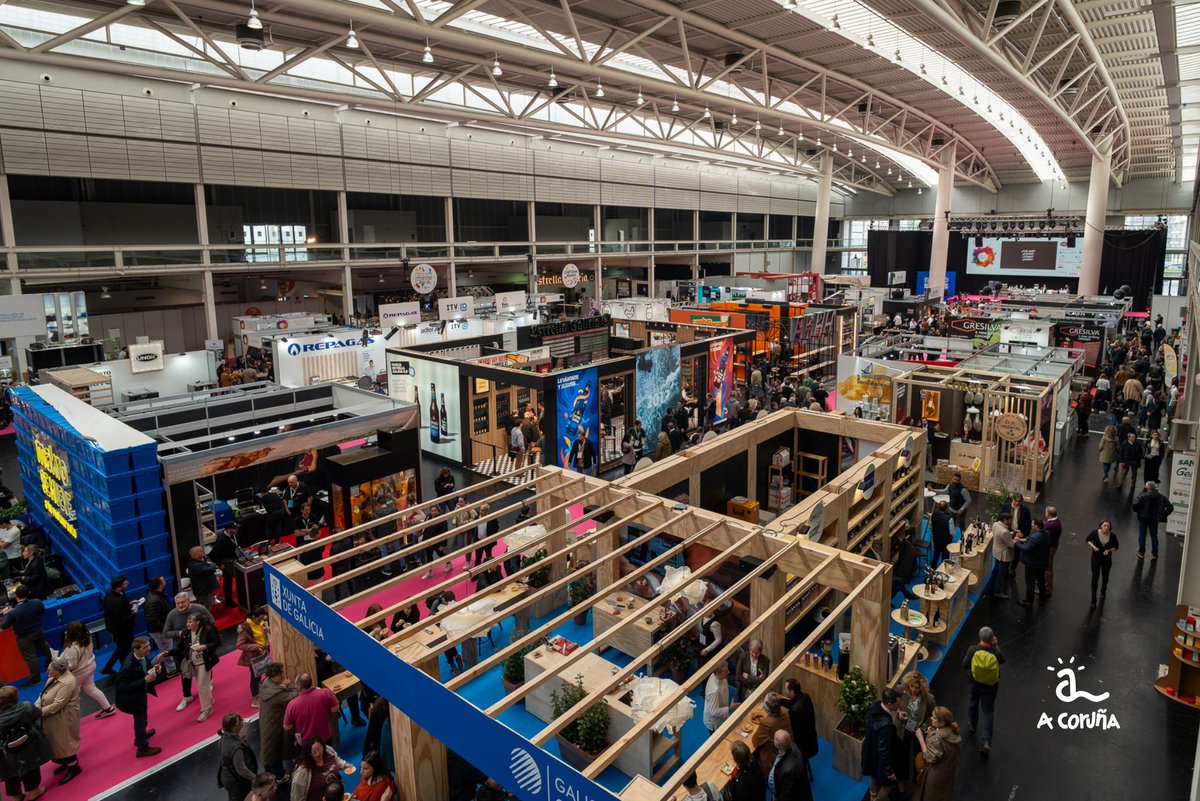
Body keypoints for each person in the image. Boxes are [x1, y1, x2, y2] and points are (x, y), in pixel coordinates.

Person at [164, 592, 215, 712]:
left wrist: (201, 634)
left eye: (182, 602)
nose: (180, 605)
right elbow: (166, 632)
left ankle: (208, 686)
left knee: (205, 669)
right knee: (185, 673)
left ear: (189, 601)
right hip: (182, 650)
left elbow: (211, 623)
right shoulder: (172, 614)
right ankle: (187, 696)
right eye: (178, 603)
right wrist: (179, 633)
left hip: (201, 648)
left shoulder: (200, 609)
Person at [114, 636, 164, 757]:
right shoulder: (127, 666)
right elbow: (120, 687)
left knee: (142, 719)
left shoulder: (141, 656)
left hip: (139, 694)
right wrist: (144, 680)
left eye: (148, 645)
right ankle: (142, 748)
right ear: (136, 650)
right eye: (145, 647)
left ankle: (140, 736)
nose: (149, 648)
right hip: (132, 699)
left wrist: (154, 669)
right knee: (140, 720)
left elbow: (145, 667)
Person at [36, 657, 81, 785]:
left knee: (64, 741)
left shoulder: (68, 682)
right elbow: (42, 695)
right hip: (52, 717)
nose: (47, 672)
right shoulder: (53, 678)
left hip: (64, 717)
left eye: (50, 670)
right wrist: (37, 706)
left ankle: (74, 767)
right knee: (56, 741)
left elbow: (58, 705)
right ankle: (65, 762)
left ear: (59, 671)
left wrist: (38, 712)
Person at [0, 685, 49, 799]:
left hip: (7, 751)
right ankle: (34, 792)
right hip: (29, 744)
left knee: (11, 774)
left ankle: (16, 796)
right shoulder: (26, 706)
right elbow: (38, 714)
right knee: (32, 768)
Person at [60, 621, 116, 718]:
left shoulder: (72, 648)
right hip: (90, 667)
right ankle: (108, 708)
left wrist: (58, 661)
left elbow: (71, 665)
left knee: (71, 696)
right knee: (91, 689)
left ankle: (71, 719)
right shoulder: (88, 638)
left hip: (78, 673)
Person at [962, 627, 1004, 757]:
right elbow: (1003, 660)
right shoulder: (995, 652)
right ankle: (986, 742)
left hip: (975, 684)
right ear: (992, 638)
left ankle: (972, 725)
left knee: (973, 702)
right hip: (990, 687)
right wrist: (996, 646)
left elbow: (964, 664)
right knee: (988, 711)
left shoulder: (973, 650)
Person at [894, 671, 935, 793]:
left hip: (919, 730)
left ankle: (917, 779)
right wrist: (898, 712)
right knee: (903, 754)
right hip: (904, 728)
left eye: (916, 687)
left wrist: (924, 727)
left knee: (919, 756)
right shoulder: (901, 690)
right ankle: (902, 779)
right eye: (911, 686)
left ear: (921, 687)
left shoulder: (928, 698)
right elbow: (893, 703)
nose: (913, 689)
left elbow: (932, 716)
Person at [0, 585, 50, 687]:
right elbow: (42, 612)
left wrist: (6, 614)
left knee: (30, 657)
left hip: (24, 637)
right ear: (29, 593)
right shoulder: (37, 602)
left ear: (16, 596)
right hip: (38, 630)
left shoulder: (13, 613)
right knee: (44, 646)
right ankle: (49, 662)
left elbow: (4, 626)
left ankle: (36, 678)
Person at [176, 612, 220, 723]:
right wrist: (167, 653)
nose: (188, 623)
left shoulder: (209, 629)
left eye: (190, 621)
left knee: (202, 686)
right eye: (187, 621)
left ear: (198, 622)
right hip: (193, 663)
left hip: (205, 663)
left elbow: (217, 642)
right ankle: (208, 699)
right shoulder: (185, 632)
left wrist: (204, 647)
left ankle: (206, 709)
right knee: (202, 685)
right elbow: (179, 647)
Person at [912, 707, 961, 801]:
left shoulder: (937, 739)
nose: (931, 718)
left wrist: (921, 738)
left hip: (935, 777)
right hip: (947, 773)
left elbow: (929, 758)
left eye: (934, 717)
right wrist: (934, 732)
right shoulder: (954, 731)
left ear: (942, 722)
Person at [258, 663, 297, 780]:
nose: (283, 675)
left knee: (268, 751)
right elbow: (295, 695)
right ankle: (279, 778)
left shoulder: (266, 684)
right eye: (281, 673)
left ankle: (270, 777)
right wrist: (289, 684)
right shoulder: (277, 694)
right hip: (274, 727)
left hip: (266, 724)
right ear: (274, 676)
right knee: (275, 752)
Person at [861, 688, 901, 800]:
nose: (899, 704)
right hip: (880, 762)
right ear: (889, 704)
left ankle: (873, 796)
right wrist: (889, 772)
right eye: (897, 703)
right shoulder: (886, 725)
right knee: (887, 788)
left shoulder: (875, 705)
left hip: (870, 756)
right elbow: (883, 750)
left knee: (873, 783)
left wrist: (897, 712)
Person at [284, 673, 339, 746]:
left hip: (306, 744)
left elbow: (287, 727)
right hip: (325, 738)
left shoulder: (292, 705)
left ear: (299, 687)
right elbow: (335, 709)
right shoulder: (326, 693)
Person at [289, 737, 352, 801]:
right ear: (309, 753)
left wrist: (345, 765)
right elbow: (296, 798)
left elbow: (337, 760)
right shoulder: (302, 773)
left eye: (319, 749)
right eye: (314, 752)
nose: (318, 753)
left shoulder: (327, 751)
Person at [218, 712, 259, 801]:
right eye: (239, 722)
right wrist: (255, 778)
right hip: (237, 782)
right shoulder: (236, 748)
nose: (242, 722)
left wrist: (240, 740)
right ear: (233, 728)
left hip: (227, 777)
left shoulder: (223, 737)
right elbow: (241, 769)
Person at [100, 575, 136, 675]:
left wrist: (129, 605)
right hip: (121, 629)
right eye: (125, 582)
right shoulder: (116, 602)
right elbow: (122, 619)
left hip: (115, 627)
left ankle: (114, 667)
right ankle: (121, 670)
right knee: (123, 649)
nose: (127, 582)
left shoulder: (111, 594)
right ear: (120, 586)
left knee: (121, 648)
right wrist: (133, 614)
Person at [749, 693, 791, 778]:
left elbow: (755, 742)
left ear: (767, 709)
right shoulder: (785, 711)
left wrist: (762, 725)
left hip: (773, 758)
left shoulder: (766, 724)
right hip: (788, 751)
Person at [781, 678, 818, 770]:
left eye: (785, 689)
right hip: (811, 740)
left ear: (792, 692)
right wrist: (779, 701)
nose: (784, 691)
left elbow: (790, 731)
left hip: (802, 747)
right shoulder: (805, 696)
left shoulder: (794, 711)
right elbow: (791, 702)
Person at [1014, 518, 1050, 607]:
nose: (1031, 525)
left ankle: (1029, 601)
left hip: (1032, 564)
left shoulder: (1035, 537)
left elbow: (1026, 549)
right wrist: (1024, 540)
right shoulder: (1046, 534)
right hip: (1042, 563)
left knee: (1030, 582)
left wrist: (1017, 543)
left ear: (1036, 526)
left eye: (1032, 524)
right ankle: (1042, 599)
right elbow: (1032, 540)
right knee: (1041, 580)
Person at [768, 730, 812, 801]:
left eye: (774, 739)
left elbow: (787, 794)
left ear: (777, 745)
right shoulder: (792, 745)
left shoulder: (788, 771)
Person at [1132, 480, 1172, 560]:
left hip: (1143, 518)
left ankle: (1141, 552)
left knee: (1142, 535)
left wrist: (1139, 511)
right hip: (1154, 519)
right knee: (1154, 536)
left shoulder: (1142, 495)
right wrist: (1163, 514)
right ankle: (1154, 554)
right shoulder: (1161, 497)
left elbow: (1135, 505)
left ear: (1146, 488)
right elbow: (1170, 507)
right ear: (1155, 488)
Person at [143, 576, 174, 674]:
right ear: (160, 584)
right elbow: (153, 619)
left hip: (161, 629)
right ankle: (171, 670)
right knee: (166, 651)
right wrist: (165, 630)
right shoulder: (155, 599)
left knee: (166, 650)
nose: (165, 581)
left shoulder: (157, 595)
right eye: (163, 580)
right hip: (160, 631)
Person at [1086, 520, 1120, 608]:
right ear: (1101, 526)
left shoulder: (1112, 536)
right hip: (1096, 558)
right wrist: (1094, 547)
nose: (1106, 527)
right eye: (1104, 525)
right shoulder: (1095, 533)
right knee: (1095, 578)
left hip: (1107, 560)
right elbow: (1088, 540)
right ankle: (1093, 599)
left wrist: (1108, 550)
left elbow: (1116, 547)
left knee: (1105, 577)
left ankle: (1103, 591)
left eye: (1108, 526)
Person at [209, 526, 242, 607]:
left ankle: (238, 597)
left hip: (233, 560)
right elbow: (212, 554)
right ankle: (228, 601)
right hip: (227, 563)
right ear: (228, 529)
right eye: (234, 528)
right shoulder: (222, 540)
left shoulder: (233, 535)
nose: (236, 530)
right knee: (228, 582)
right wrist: (220, 564)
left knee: (234, 580)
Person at [237, 620, 268, 705]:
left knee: (261, 674)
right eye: (261, 616)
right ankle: (255, 698)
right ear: (254, 617)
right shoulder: (245, 629)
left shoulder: (260, 623)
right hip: (254, 657)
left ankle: (259, 691)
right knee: (255, 677)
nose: (263, 618)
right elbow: (240, 645)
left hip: (263, 653)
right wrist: (255, 646)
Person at [702, 663, 737, 733]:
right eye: (726, 672)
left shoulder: (720, 676)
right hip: (715, 722)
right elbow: (713, 712)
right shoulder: (714, 691)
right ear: (718, 673)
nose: (729, 672)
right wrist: (730, 708)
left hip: (723, 713)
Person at [1042, 507, 1063, 598]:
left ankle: (1047, 589)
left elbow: (1043, 530)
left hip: (1049, 548)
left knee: (1048, 568)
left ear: (1048, 513)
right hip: (1054, 546)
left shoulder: (1050, 525)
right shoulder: (1056, 522)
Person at [929, 501, 954, 567]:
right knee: (945, 556)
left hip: (936, 539)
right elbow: (952, 533)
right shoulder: (949, 518)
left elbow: (930, 526)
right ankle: (943, 570)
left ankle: (933, 569)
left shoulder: (933, 514)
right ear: (946, 508)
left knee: (936, 554)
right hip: (946, 541)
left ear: (938, 507)